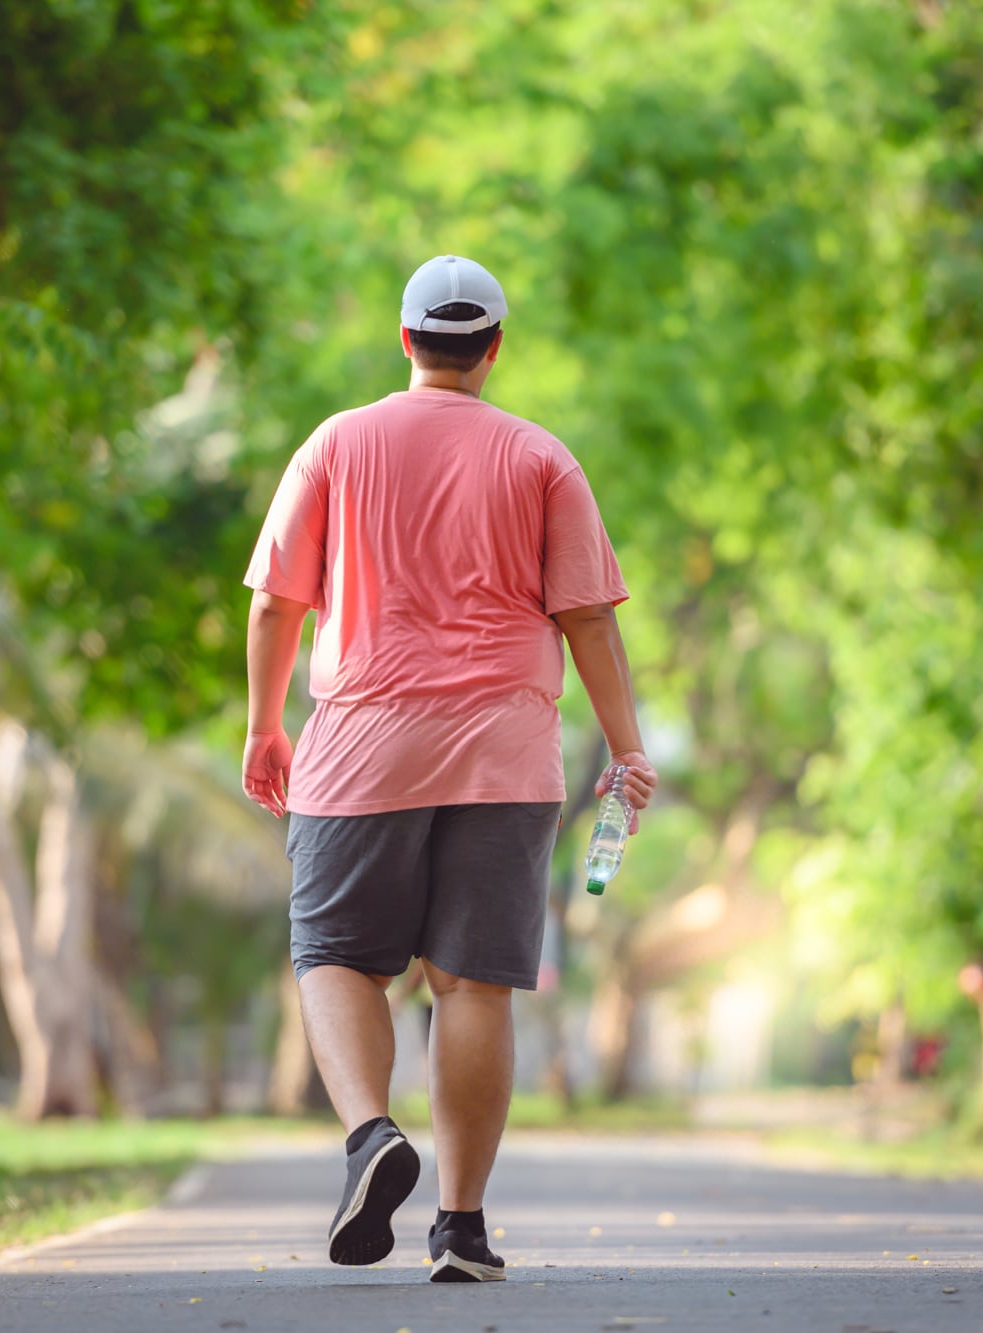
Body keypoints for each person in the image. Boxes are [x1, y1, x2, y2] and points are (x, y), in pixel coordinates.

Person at [241, 254, 657, 1283]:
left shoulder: (335, 443)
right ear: (493, 349)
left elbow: (275, 603)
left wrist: (263, 726)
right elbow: (589, 620)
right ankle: (461, 1229)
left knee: (337, 955)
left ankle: (370, 1134)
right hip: (504, 754)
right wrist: (626, 747)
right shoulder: (540, 457)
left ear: (406, 338)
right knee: (472, 983)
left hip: (360, 746)